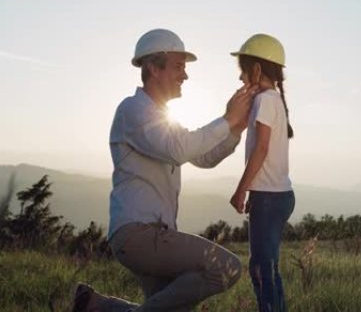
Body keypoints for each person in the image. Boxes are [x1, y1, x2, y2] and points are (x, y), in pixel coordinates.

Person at [72, 28, 257, 312]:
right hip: (139, 235)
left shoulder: (162, 118)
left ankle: (92, 305)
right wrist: (226, 118)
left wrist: (235, 128)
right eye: (179, 66)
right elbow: (179, 149)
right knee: (227, 267)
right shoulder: (133, 110)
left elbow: (203, 157)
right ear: (153, 68)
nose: (185, 75)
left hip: (154, 235)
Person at [229, 34, 295, 312]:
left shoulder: (265, 101)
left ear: (256, 70)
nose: (241, 78)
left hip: (267, 198)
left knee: (260, 270)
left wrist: (241, 188)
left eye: (243, 71)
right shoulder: (272, 99)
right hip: (278, 196)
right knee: (267, 268)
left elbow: (261, 149)